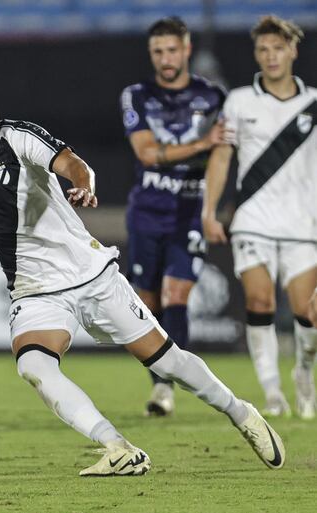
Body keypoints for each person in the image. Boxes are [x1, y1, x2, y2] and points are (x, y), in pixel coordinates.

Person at [0, 81, 285, 476]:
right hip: (34, 290)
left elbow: (74, 164)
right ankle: (117, 447)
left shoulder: (19, 138)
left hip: (90, 274)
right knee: (33, 366)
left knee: (169, 363)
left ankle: (240, 413)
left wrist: (83, 185)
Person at [202, 15, 317, 419]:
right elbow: (221, 156)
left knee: (307, 313)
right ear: (256, 54)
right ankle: (271, 391)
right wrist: (209, 210)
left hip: (304, 223)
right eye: (263, 50)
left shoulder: (313, 104)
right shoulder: (238, 101)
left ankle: (304, 371)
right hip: (253, 218)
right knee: (259, 299)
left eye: (278, 49)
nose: (271, 57)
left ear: (293, 51)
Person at [120, 17, 226, 416]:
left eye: (171, 50)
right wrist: (203, 142)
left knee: (176, 294)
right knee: (147, 301)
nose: (165, 58)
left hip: (189, 213)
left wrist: (212, 209)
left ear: (186, 50)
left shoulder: (213, 97)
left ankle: (168, 385)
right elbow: (147, 153)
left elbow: (223, 155)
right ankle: (162, 378)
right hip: (147, 212)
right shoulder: (137, 96)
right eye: (157, 52)